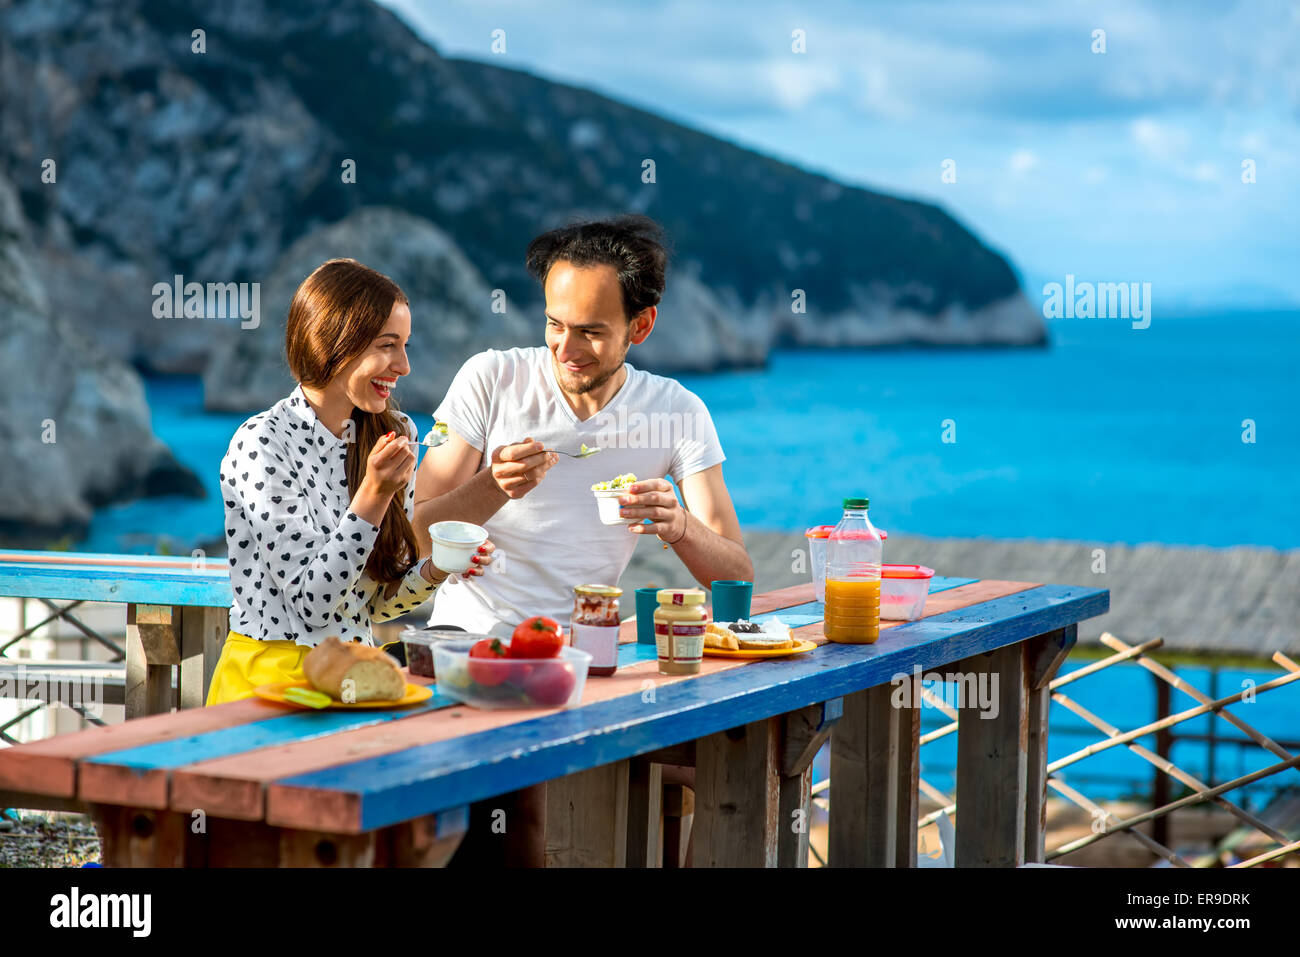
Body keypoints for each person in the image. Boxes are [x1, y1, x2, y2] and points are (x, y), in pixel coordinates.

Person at [413, 215, 752, 865]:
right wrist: (492, 485)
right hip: (472, 646)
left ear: (641, 326)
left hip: (590, 657)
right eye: (554, 325)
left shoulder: (676, 411)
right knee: (518, 803)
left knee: (717, 756)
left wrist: (678, 525)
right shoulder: (491, 380)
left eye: (591, 332)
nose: (565, 350)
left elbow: (736, 574)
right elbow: (415, 528)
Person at [206, 259, 494, 705]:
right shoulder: (261, 443)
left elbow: (376, 604)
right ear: (334, 342)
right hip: (269, 683)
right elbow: (313, 605)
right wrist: (374, 495)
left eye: (406, 345)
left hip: (357, 677)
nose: (404, 365)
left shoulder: (394, 434)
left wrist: (441, 567)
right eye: (388, 345)